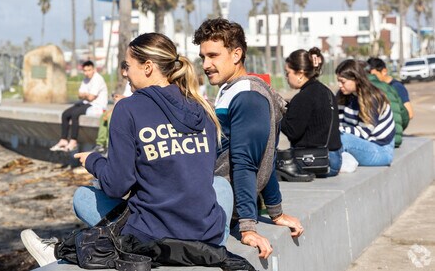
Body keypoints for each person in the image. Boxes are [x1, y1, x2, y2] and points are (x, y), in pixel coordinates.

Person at [22, 33, 231, 267]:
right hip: (208, 235)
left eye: (127, 66)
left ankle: (64, 251)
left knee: (83, 196)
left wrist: (93, 161)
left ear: (148, 67)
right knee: (220, 185)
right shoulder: (201, 107)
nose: (124, 73)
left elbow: (117, 185)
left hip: (155, 240)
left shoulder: (128, 109)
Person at [193, 18, 304, 259]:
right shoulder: (230, 90)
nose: (206, 64)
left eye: (213, 55)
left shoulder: (248, 97)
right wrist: (275, 212)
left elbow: (247, 161)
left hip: (220, 203)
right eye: (203, 57)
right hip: (214, 196)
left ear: (236, 54)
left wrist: (247, 227)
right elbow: (266, 155)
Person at [280, 48, 342, 178]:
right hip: (334, 159)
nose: (286, 77)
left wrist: (278, 114)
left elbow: (292, 132)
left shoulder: (304, 97)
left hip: (314, 161)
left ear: (300, 73)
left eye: (288, 73)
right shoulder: (326, 92)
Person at [336, 59, 395, 166]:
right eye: (338, 81)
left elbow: (363, 133)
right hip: (361, 143)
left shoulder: (371, 98)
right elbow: (339, 122)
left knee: (341, 138)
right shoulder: (342, 95)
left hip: (381, 149)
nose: (340, 85)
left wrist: (337, 131)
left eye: (343, 81)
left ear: (357, 80)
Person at [51, 60, 108, 153]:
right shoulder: (85, 79)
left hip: (97, 105)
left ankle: (73, 141)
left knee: (75, 114)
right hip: (86, 103)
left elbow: (91, 97)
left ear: (94, 69)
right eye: (85, 71)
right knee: (65, 114)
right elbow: (80, 95)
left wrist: (85, 95)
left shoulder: (98, 79)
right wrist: (86, 95)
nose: (87, 73)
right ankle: (63, 140)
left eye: (89, 70)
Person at [367, 57, 411, 147]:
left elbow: (409, 113)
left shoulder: (396, 87)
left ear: (384, 71)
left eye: (373, 75)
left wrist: (397, 130)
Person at [92, 61, 132, 154]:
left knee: (112, 118)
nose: (124, 76)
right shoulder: (128, 82)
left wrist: (121, 97)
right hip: (123, 105)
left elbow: (135, 97)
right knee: (104, 116)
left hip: (129, 107)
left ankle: (110, 146)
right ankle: (100, 144)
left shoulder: (136, 81)